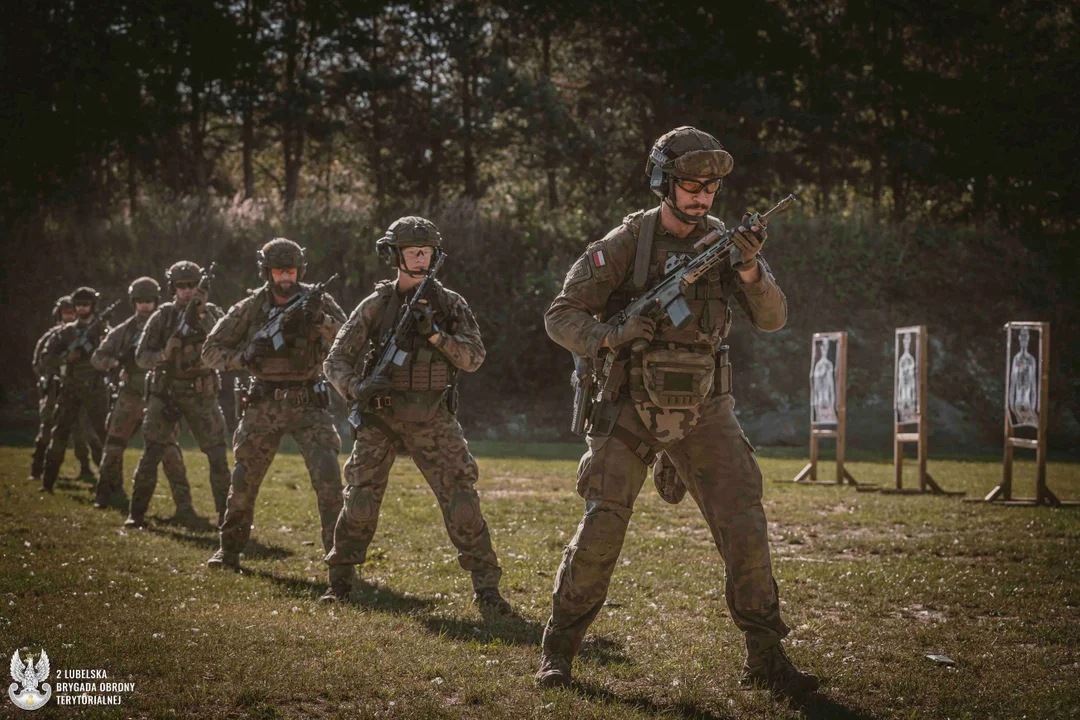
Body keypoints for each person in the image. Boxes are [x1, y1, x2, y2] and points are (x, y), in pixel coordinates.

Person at [536, 126, 818, 695]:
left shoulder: (726, 244)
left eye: (711, 187)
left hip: (705, 405)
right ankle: (559, 651)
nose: (702, 197)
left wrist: (748, 270)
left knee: (743, 519)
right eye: (690, 184)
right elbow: (560, 316)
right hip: (628, 403)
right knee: (602, 526)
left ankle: (766, 655)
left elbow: (774, 318)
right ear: (665, 182)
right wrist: (611, 334)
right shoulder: (625, 243)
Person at [320, 216, 511, 613]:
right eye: (412, 252)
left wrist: (436, 335)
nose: (421, 259)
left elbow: (474, 357)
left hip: (433, 417)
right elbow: (335, 360)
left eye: (426, 252)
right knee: (359, 503)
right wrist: (357, 388)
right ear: (395, 255)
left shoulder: (449, 303)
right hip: (381, 417)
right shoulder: (376, 305)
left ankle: (488, 592)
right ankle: (339, 582)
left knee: (462, 502)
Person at [200, 238, 349, 599]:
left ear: (301, 270)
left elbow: (349, 341)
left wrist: (322, 321)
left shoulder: (319, 301)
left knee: (330, 484)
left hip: (310, 403)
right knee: (244, 482)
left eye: (291, 270)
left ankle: (340, 570)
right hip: (263, 402)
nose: (286, 277)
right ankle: (230, 550)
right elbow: (210, 352)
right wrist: (245, 355)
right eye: (279, 270)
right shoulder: (250, 307)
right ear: (266, 271)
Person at [128, 261, 230, 528]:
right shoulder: (162, 317)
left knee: (218, 455)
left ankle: (227, 519)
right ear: (173, 287)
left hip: (201, 393)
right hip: (167, 392)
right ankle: (136, 515)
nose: (187, 291)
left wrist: (203, 313)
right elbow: (141, 357)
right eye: (181, 286)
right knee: (152, 452)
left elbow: (226, 345)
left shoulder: (213, 313)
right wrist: (164, 354)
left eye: (192, 285)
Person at [90, 276, 195, 518]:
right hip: (130, 395)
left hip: (160, 396)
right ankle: (104, 494)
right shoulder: (124, 330)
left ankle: (184, 506)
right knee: (114, 446)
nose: (145, 306)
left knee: (169, 450)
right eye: (140, 301)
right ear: (133, 302)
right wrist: (114, 361)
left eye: (149, 301)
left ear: (156, 300)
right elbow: (98, 357)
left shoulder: (168, 323)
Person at [39, 287, 110, 493]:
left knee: (101, 437)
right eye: (78, 304)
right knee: (59, 434)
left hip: (95, 389)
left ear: (93, 306)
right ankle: (47, 482)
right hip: (70, 388)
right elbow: (45, 358)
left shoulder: (102, 330)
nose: (81, 308)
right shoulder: (65, 333)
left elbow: (115, 353)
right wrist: (64, 359)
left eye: (86, 304)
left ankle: (111, 485)